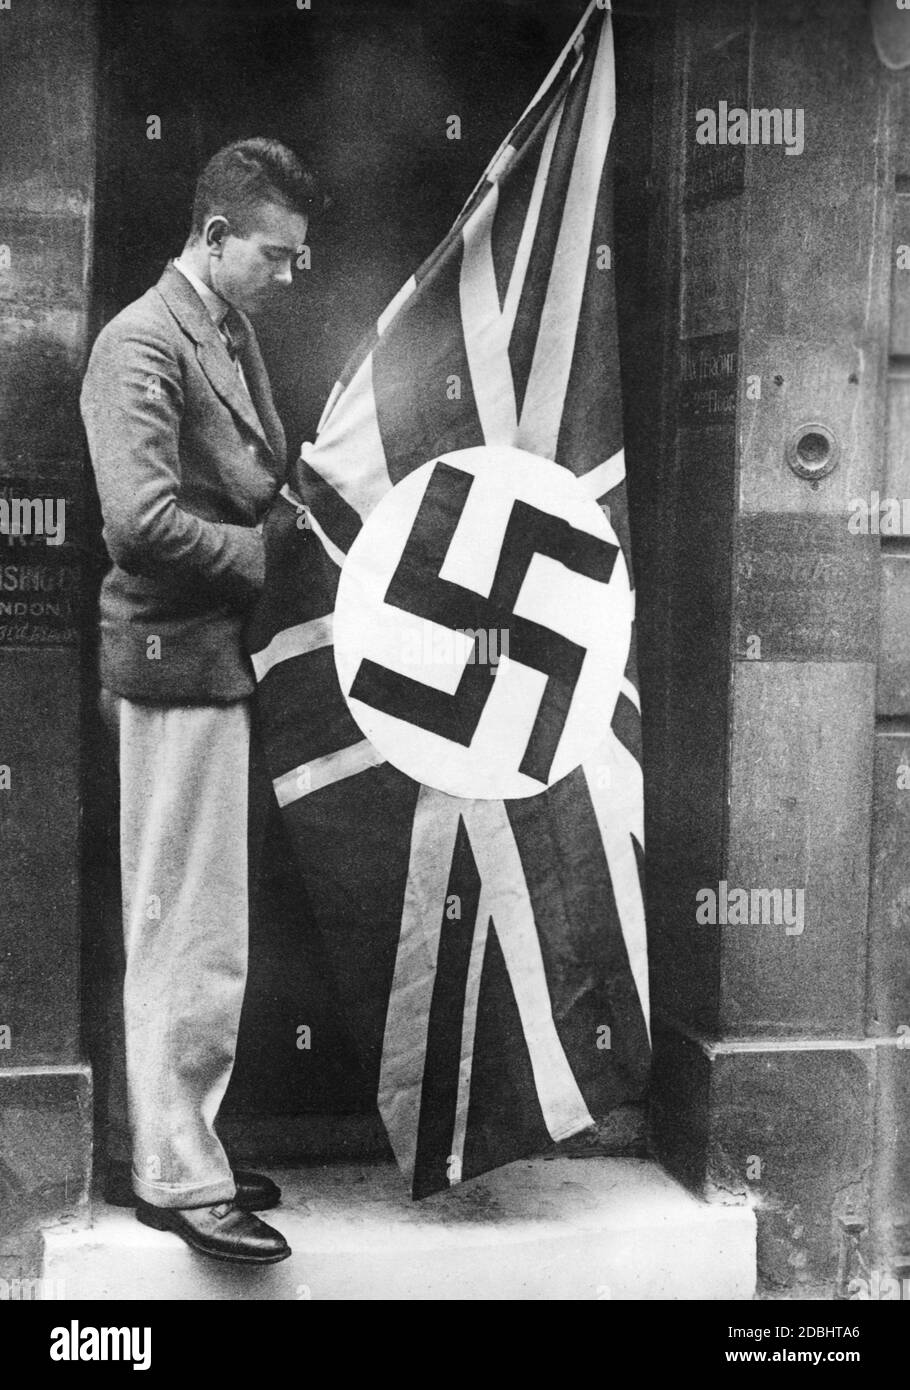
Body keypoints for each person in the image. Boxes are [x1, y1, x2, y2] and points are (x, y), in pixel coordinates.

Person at [80, 138, 313, 1265]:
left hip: (215, 657)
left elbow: (251, 476)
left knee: (197, 921)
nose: (286, 274)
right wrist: (263, 555)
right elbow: (139, 524)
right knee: (185, 927)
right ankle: (175, 1175)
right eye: (274, 254)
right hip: (174, 660)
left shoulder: (228, 327)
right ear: (215, 237)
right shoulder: (140, 340)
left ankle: (176, 1147)